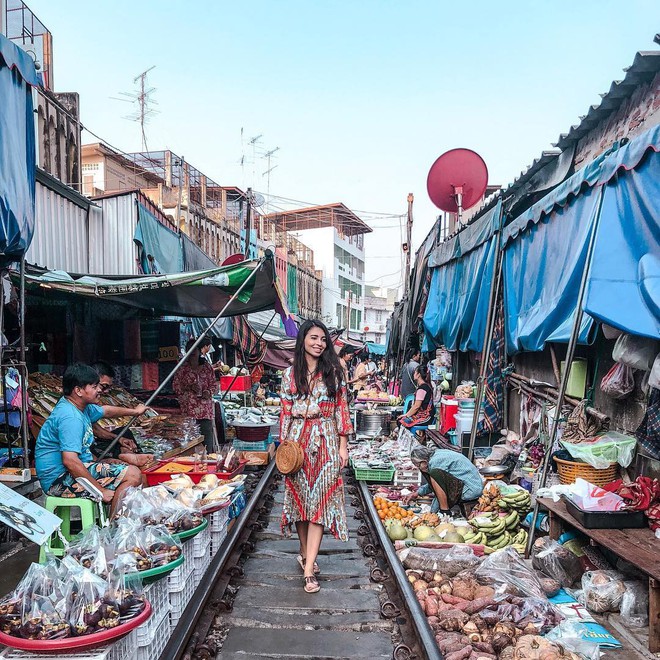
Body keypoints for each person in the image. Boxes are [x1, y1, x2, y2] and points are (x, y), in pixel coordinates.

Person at [280, 319, 353, 594]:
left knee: (320, 503)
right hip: (296, 442)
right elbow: (285, 413)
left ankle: (309, 568)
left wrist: (343, 446)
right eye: (313, 338)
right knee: (300, 503)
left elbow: (342, 410)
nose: (319, 343)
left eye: (323, 339)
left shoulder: (334, 372)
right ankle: (304, 551)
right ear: (303, 341)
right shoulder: (289, 375)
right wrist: (284, 448)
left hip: (326, 441)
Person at [35, 364, 147, 516]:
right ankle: (115, 529)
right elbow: (70, 461)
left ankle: (115, 523)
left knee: (131, 470)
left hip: (72, 471)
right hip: (58, 480)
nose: (99, 390)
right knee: (133, 474)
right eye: (94, 387)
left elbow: (106, 411)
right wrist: (99, 491)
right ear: (78, 390)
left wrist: (135, 412)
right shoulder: (70, 417)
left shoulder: (79, 406)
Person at [89, 361, 154, 468]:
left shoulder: (88, 406)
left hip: (90, 449)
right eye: (103, 386)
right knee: (132, 475)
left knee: (123, 433)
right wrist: (100, 462)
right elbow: (73, 456)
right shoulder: (71, 413)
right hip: (85, 457)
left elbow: (97, 427)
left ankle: (129, 454)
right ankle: (124, 455)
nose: (104, 391)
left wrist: (118, 438)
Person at [403, 445, 483, 514]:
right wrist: (417, 493)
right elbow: (435, 484)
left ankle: (445, 510)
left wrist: (433, 512)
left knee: (435, 473)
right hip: (470, 485)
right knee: (435, 475)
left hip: (471, 489)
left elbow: (439, 486)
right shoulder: (436, 454)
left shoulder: (435, 462)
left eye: (418, 465)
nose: (418, 468)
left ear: (423, 461)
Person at [172, 337, 217, 452]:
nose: (192, 352)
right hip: (188, 411)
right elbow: (175, 387)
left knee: (207, 439)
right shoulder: (182, 368)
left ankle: (209, 461)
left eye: (194, 349)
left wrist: (208, 392)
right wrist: (189, 387)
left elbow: (213, 385)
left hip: (204, 411)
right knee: (190, 443)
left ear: (199, 351)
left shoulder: (207, 367)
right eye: (189, 349)